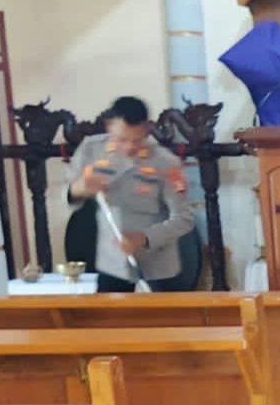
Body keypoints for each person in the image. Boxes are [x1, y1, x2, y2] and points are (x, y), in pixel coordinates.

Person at [67, 96, 193, 292]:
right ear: (109, 126)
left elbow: (184, 219)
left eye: (136, 140)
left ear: (146, 130)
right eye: (122, 139)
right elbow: (67, 195)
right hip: (113, 266)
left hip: (158, 270)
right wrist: (78, 189)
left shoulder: (166, 162)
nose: (129, 147)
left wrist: (143, 239)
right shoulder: (91, 151)